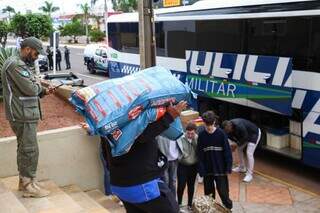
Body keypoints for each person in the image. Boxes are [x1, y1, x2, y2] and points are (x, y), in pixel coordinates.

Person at [104, 101, 187, 213]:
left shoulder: (108, 124)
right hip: (141, 185)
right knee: (171, 208)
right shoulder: (129, 121)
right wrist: (169, 117)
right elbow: (142, 136)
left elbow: (105, 154)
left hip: (120, 184)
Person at [1, 37, 55, 198]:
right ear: (28, 49)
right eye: (36, 53)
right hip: (21, 114)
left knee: (25, 148)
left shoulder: (21, 64)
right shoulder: (15, 64)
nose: (37, 56)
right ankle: (28, 186)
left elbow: (32, 86)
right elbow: (31, 89)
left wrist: (43, 90)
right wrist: (40, 87)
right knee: (30, 150)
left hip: (25, 112)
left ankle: (26, 181)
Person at [197, 111, 233, 211]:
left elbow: (227, 151)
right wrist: (201, 169)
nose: (208, 127)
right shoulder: (202, 135)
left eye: (210, 124)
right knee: (208, 194)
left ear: (214, 122)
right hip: (207, 170)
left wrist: (228, 166)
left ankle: (229, 208)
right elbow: (200, 154)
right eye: (206, 124)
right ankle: (210, 210)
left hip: (220, 169)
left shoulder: (221, 134)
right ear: (203, 123)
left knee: (224, 193)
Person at [222, 118, 261, 183]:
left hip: (254, 133)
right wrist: (232, 146)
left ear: (231, 126)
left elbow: (245, 137)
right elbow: (230, 138)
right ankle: (242, 167)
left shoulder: (239, 126)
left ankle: (249, 174)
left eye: (228, 130)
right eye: (226, 131)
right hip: (244, 135)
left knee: (249, 153)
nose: (228, 132)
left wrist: (236, 144)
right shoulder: (227, 130)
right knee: (239, 149)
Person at [176, 122, 198, 210]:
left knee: (191, 185)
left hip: (193, 166)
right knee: (181, 185)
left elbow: (199, 150)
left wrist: (194, 140)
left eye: (192, 133)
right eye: (188, 133)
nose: (189, 135)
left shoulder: (197, 138)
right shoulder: (181, 138)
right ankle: (179, 203)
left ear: (195, 132)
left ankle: (189, 204)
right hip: (183, 165)